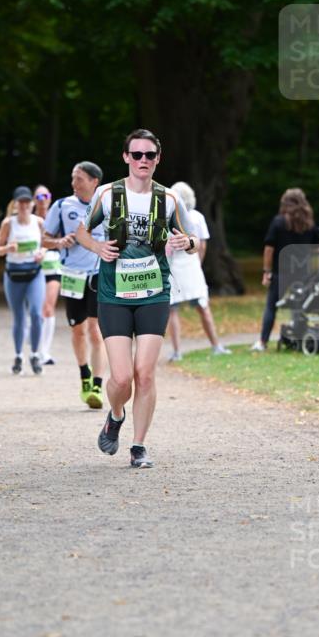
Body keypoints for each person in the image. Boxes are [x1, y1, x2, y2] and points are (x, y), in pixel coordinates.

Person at [75, 129, 198, 468]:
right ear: (126, 157)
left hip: (154, 292)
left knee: (144, 373)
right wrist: (97, 246)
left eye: (149, 155)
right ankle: (115, 415)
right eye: (137, 154)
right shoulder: (107, 194)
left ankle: (139, 446)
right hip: (114, 293)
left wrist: (184, 244)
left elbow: (195, 239)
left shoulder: (170, 199)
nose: (143, 160)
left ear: (158, 159)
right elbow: (82, 231)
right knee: (121, 378)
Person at [43, 162, 106, 407]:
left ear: (94, 182)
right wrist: (59, 242)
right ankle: (85, 375)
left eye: (79, 178)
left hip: (99, 273)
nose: (74, 183)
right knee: (78, 329)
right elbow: (44, 240)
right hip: (72, 274)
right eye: (73, 178)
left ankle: (97, 387)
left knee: (95, 329)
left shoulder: (107, 206)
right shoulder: (61, 206)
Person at [253, 187, 319, 352]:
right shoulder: (310, 225)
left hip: (281, 273)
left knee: (271, 306)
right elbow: (318, 249)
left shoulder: (278, 222)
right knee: (300, 307)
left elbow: (269, 249)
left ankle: (263, 342)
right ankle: (299, 340)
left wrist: (267, 271)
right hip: (303, 274)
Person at [166, 181, 230, 361]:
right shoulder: (197, 217)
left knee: (173, 310)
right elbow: (202, 246)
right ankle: (216, 345)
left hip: (174, 268)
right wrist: (198, 264)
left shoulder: (168, 218)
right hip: (192, 266)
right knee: (203, 307)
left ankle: (177, 351)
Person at [0, 186, 46, 376]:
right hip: (14, 275)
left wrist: (42, 252)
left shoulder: (38, 222)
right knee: (19, 317)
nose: (24, 206)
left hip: (34, 273)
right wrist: (8, 248)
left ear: (32, 204)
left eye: (27, 202)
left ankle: (34, 354)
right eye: (20, 202)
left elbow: (46, 244)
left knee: (36, 314)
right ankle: (18, 355)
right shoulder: (9, 223)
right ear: (15, 204)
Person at [32, 184, 60, 365]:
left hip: (54, 267)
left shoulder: (57, 216)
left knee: (48, 308)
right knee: (36, 311)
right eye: (39, 196)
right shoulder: (29, 219)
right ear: (35, 199)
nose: (43, 199)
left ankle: (45, 352)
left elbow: (63, 240)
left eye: (46, 195)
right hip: (33, 268)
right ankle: (35, 346)